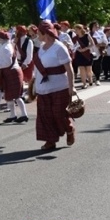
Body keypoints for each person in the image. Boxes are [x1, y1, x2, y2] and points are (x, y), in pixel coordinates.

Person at [33, 21, 75, 151]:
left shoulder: (59, 47)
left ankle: (69, 129)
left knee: (59, 114)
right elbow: (38, 68)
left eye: (38, 33)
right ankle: (50, 140)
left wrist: (71, 87)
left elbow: (69, 69)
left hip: (59, 87)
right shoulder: (41, 48)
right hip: (43, 88)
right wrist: (34, 86)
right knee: (45, 115)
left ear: (44, 33)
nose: (36, 35)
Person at [15, 25, 34, 100]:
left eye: (17, 31)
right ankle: (21, 94)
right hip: (19, 61)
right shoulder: (17, 40)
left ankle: (31, 95)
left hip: (27, 62)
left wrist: (25, 63)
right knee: (20, 79)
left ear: (22, 32)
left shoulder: (28, 41)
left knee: (29, 79)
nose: (16, 32)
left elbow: (29, 54)